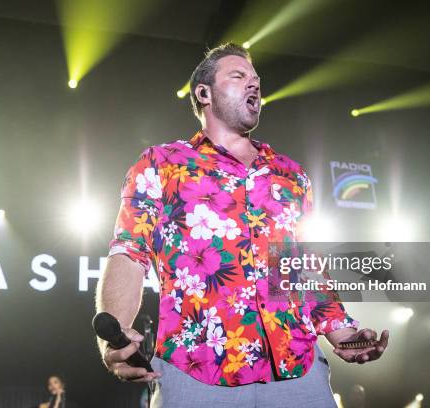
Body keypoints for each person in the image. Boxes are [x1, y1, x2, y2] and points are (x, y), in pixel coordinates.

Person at [96, 43, 389, 407]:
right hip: (197, 372)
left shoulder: (291, 175)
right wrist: (115, 333)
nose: (254, 85)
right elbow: (129, 251)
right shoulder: (161, 164)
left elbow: (305, 271)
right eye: (238, 76)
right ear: (203, 93)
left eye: (256, 80)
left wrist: (344, 332)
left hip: (298, 373)